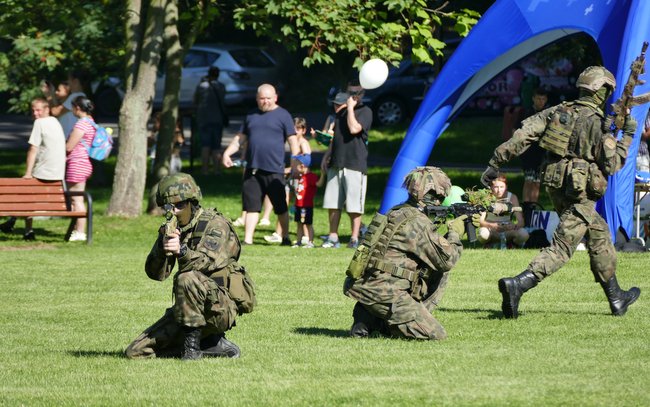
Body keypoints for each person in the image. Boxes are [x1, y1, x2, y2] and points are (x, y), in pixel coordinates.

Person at [481, 66, 641, 319]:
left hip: (556, 185)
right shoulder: (598, 123)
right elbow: (612, 164)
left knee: (599, 234)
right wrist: (628, 135)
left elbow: (522, 136)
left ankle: (616, 297)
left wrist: (495, 163)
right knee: (564, 246)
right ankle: (518, 285)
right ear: (602, 91)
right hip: (581, 192)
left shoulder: (557, 112)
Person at [125, 173, 255, 360]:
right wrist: (164, 247)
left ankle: (192, 350)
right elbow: (156, 274)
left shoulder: (215, 224)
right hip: (187, 311)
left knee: (186, 277)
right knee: (136, 352)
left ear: (192, 201)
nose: (175, 211)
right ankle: (211, 345)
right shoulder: (173, 228)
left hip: (219, 309)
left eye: (180, 205)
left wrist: (181, 251)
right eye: (169, 206)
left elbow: (206, 262)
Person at [343, 167, 466, 339]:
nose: (439, 201)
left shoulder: (397, 211)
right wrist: (455, 233)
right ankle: (384, 323)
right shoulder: (417, 222)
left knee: (431, 271)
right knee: (437, 335)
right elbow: (446, 261)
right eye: (437, 197)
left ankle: (367, 319)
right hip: (386, 293)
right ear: (427, 194)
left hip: (366, 285)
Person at [222, 84, 299, 245]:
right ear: (257, 99)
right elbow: (240, 139)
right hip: (253, 169)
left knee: (281, 207)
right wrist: (227, 153)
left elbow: (293, 141)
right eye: (262, 98)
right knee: (251, 206)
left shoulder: (283, 115)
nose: (265, 101)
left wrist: (294, 163)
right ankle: (248, 240)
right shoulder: (251, 115)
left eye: (268, 98)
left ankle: (285, 237)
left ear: (275, 98)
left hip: (274, 170)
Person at [0, 98, 66, 240]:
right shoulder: (55, 122)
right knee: (26, 198)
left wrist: (28, 173)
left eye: (38, 110)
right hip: (58, 172)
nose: (35, 113)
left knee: (25, 196)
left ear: (47, 109)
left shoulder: (39, 123)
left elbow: (33, 149)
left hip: (44, 171)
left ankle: (28, 230)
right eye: (33, 110)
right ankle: (11, 222)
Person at [321, 81, 373, 249]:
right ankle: (333, 236)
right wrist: (326, 157)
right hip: (336, 163)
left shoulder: (366, 111)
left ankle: (354, 237)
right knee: (333, 203)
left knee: (354, 205)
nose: (353, 96)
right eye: (351, 92)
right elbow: (335, 139)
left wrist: (350, 109)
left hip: (354, 164)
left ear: (362, 94)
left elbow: (354, 129)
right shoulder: (339, 115)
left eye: (356, 93)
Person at [264, 116, 313, 243]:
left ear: (303, 130)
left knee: (301, 207)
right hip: (291, 179)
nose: (295, 132)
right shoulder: (294, 143)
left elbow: (307, 161)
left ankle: (306, 236)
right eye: (293, 129)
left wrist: (293, 168)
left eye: (298, 129)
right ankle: (279, 233)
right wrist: (289, 169)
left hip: (300, 181)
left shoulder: (303, 143)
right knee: (283, 204)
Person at [65, 95, 96, 242]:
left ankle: (80, 232)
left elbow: (69, 146)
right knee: (78, 199)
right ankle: (78, 230)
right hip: (84, 163)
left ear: (77, 108)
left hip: (77, 163)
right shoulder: (91, 122)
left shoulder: (81, 124)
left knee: (76, 199)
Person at [517, 88, 549, 224]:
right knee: (529, 180)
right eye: (538, 98)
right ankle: (526, 206)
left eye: (543, 99)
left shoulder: (549, 114)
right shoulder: (526, 113)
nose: (540, 101)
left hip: (541, 153)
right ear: (533, 98)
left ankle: (533, 208)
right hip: (528, 153)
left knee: (536, 182)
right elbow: (516, 131)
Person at [477, 174, 529, 248]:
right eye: (496, 187)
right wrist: (492, 225)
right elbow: (480, 221)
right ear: (491, 187)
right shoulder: (486, 197)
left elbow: (521, 221)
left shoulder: (512, 197)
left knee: (524, 234)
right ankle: (489, 243)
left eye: (502, 187)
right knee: (483, 234)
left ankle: (513, 244)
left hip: (507, 230)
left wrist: (514, 226)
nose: (499, 190)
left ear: (506, 187)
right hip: (491, 230)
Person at [194, 66, 227, 175]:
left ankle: (205, 170)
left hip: (203, 119)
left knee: (205, 145)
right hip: (218, 119)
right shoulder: (221, 87)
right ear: (218, 74)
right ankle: (217, 170)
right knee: (216, 146)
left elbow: (195, 101)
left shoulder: (201, 86)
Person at [49, 70, 88, 138]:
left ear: (75, 81)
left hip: (68, 136)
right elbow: (60, 111)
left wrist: (49, 96)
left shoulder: (74, 97)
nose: (68, 83)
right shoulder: (81, 96)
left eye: (69, 80)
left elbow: (55, 112)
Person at [290, 154, 318, 248]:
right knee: (299, 224)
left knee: (308, 224)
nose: (294, 168)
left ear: (302, 166)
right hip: (298, 205)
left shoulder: (311, 177)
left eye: (295, 166)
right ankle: (299, 241)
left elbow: (318, 184)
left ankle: (311, 242)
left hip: (307, 206)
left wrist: (323, 174)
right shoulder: (301, 177)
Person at [638, 107, 650, 174]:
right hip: (623, 155)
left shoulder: (644, 111)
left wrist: (637, 137)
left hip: (641, 155)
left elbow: (648, 133)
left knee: (643, 183)